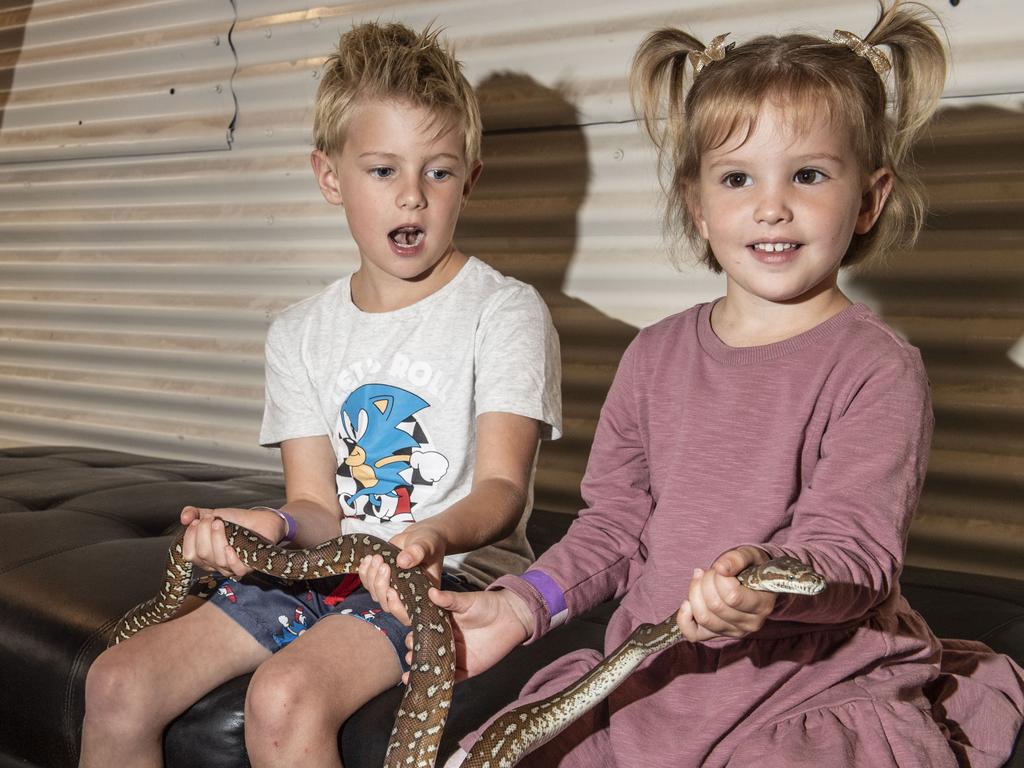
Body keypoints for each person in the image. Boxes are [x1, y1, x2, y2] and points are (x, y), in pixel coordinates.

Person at [368, 3, 1024, 766]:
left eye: (808, 174)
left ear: (869, 199)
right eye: (737, 177)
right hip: (652, 677)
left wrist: (766, 585)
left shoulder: (878, 369)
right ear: (697, 204)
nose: (771, 205)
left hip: (803, 691)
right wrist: (521, 607)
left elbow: (853, 552)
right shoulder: (652, 357)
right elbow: (615, 529)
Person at [79, 21, 561, 768]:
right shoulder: (299, 332)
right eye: (382, 170)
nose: (412, 195)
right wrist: (262, 523)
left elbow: (501, 488)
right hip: (325, 566)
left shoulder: (504, 312)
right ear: (330, 175)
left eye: (437, 171)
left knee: (285, 695)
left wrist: (429, 538)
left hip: (443, 576)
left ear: (470, 177)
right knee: (116, 683)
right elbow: (314, 507)